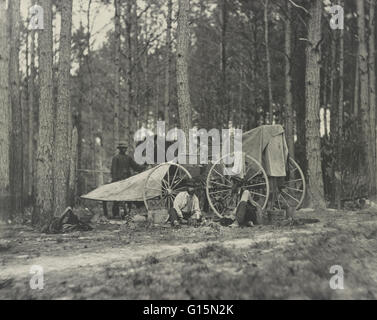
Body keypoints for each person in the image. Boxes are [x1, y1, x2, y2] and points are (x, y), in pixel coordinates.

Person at [109, 141, 143, 218]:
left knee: (129, 198)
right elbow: (113, 171)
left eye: (125, 148)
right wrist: (115, 181)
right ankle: (116, 214)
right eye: (122, 148)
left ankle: (128, 213)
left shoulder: (128, 158)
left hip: (128, 181)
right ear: (119, 149)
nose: (124, 149)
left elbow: (136, 167)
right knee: (117, 199)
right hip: (118, 181)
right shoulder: (116, 158)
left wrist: (144, 166)